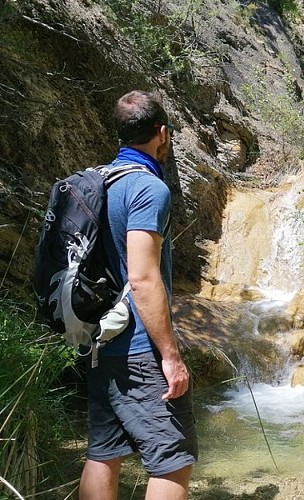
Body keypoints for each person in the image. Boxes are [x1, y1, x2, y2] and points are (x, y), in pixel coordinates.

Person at [78, 90, 198, 500]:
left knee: (103, 453)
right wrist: (171, 356)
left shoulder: (98, 182)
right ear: (161, 134)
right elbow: (143, 278)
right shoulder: (149, 189)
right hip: (139, 348)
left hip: (99, 340)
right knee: (173, 460)